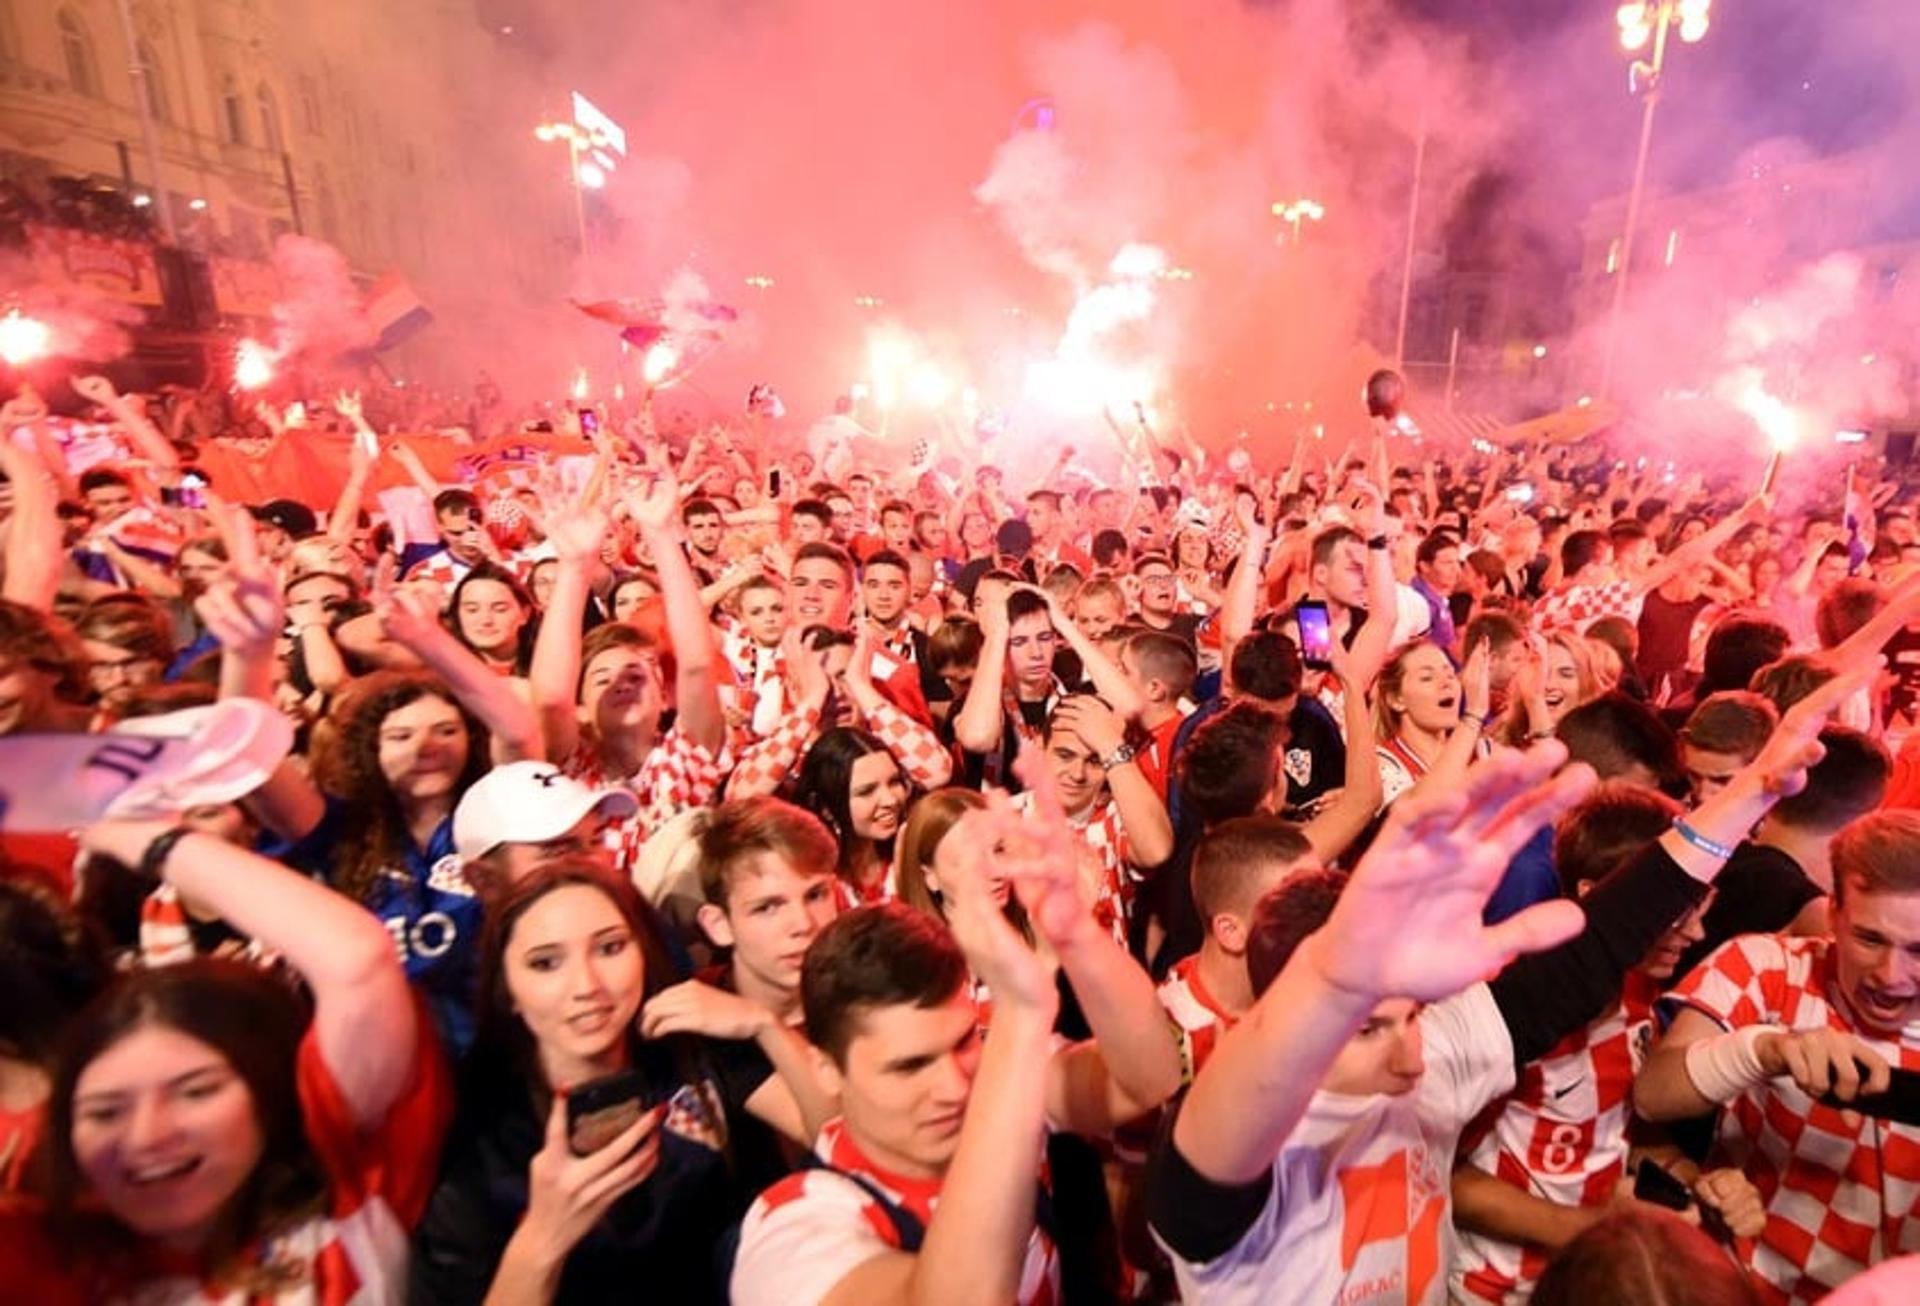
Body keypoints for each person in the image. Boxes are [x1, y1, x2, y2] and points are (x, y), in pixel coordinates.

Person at [1143, 662, 1855, 1304]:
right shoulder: (1253, 1145)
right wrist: (1333, 981)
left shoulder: (1425, 1070)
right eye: (1363, 1026)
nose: (1411, 1056)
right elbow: (1208, 1151)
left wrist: (1750, 795)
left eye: (1412, 1017)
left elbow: (1602, 940)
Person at [731, 759, 1181, 1306]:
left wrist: (1075, 933)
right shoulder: (794, 1225)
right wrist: (1022, 1007)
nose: (953, 1086)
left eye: (963, 1042)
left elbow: (1149, 1079)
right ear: (827, 1068)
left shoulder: (995, 1086)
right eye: (909, 1065)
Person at [8, 819, 448, 1301]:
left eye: (196, 1091)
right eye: (105, 1112)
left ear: (266, 1093)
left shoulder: (345, 1176)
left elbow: (356, 961)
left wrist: (139, 835)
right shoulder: (45, 1252)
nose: (148, 1135)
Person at [410, 860, 814, 1304]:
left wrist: (764, 1025)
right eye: (546, 963)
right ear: (508, 990)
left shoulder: (690, 1044)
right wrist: (543, 1239)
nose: (587, 985)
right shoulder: (474, 1135)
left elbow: (843, 1137)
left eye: (610, 948)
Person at [1450, 782, 1764, 1302]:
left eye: (1703, 911)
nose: (1696, 934)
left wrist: (1696, 1181)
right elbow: (1446, 1177)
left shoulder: (1642, 991)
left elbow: (1629, 1136)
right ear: (1597, 896)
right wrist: (1591, 1227)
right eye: (1678, 913)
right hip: (1492, 1289)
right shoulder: (1505, 1010)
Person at [1634, 805, 1920, 1302]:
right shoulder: (1766, 966)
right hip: (1750, 1291)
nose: (1891, 974)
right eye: (1870, 939)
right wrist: (1764, 1051)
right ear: (1833, 914)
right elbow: (1653, 1095)